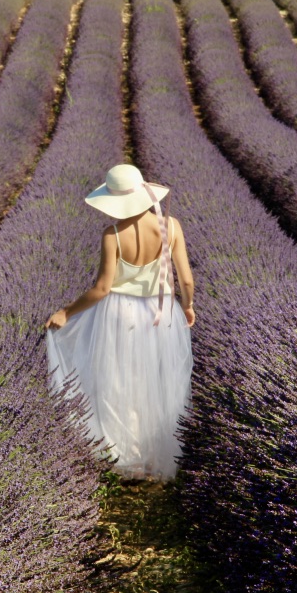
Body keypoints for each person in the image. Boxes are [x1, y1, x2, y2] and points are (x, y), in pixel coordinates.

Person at [45, 164, 195, 481]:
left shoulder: (113, 235)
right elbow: (187, 279)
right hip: (161, 311)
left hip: (120, 314)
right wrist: (188, 305)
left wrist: (66, 312)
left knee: (119, 381)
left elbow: (101, 289)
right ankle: (156, 455)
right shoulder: (173, 226)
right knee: (157, 381)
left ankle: (126, 458)